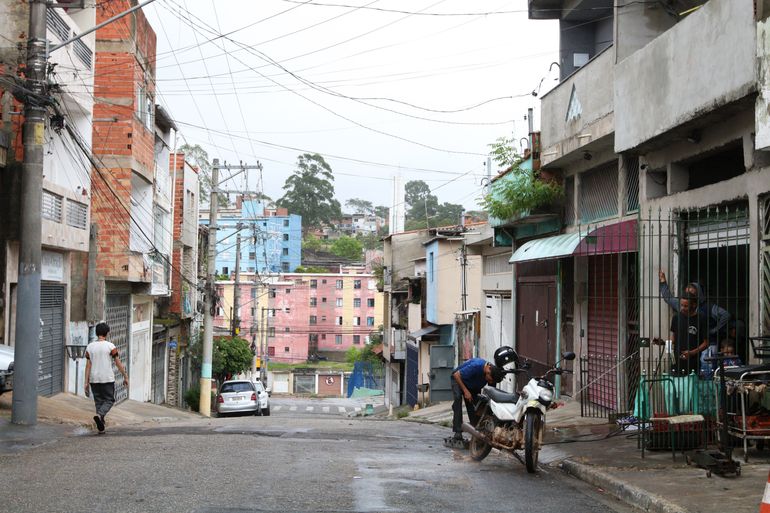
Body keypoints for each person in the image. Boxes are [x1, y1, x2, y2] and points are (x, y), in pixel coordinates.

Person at [659, 271, 730, 377]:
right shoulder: (681, 308)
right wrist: (663, 282)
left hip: (707, 344)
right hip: (686, 349)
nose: (683, 307)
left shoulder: (707, 308)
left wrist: (714, 330)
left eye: (691, 294)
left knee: (706, 370)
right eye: (687, 293)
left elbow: (726, 315)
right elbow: (668, 298)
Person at [84, 322, 128, 434]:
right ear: (107, 333)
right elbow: (118, 363)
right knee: (109, 400)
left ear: (96, 332)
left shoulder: (90, 347)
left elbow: (88, 365)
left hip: (94, 379)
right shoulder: (110, 346)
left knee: (99, 401)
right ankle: (99, 416)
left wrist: (86, 382)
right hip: (107, 378)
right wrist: (125, 376)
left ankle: (101, 426)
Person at [450, 358, 505, 441]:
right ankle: (458, 432)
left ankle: (476, 431)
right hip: (458, 380)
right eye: (489, 380)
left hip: (473, 385)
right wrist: (465, 391)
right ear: (488, 371)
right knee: (458, 399)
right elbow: (456, 375)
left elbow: (491, 394)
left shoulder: (492, 375)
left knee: (477, 405)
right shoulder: (476, 366)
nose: (489, 382)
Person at [669, 292, 710, 376]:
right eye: (681, 305)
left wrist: (692, 353)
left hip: (693, 363)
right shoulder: (676, 317)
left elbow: (706, 343)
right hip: (676, 362)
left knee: (690, 387)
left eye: (686, 306)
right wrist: (662, 342)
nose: (682, 308)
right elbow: (673, 339)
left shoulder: (701, 319)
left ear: (694, 305)